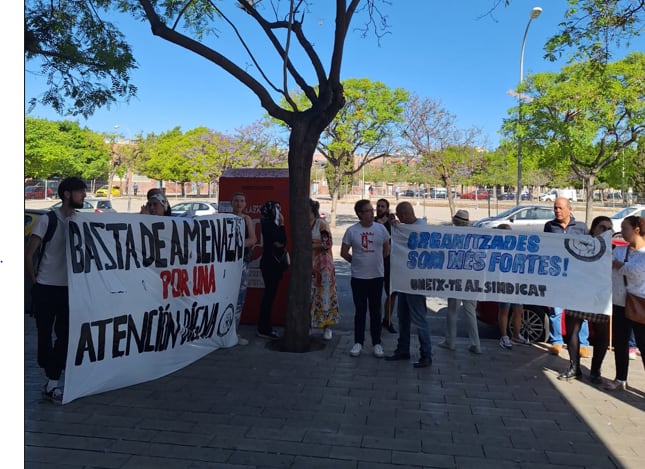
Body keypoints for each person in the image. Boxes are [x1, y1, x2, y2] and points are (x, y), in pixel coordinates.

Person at [25, 177, 88, 404]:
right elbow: (28, 254)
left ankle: (52, 381)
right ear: (67, 194)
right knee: (44, 336)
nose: (84, 196)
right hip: (46, 288)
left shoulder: (81, 222)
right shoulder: (47, 220)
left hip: (69, 289)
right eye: (80, 192)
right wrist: (36, 283)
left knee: (65, 336)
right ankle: (49, 367)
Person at [557, 216, 613, 381]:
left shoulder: (612, 249)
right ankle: (574, 367)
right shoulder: (580, 245)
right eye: (602, 228)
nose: (606, 232)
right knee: (572, 330)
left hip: (599, 297)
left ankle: (596, 371)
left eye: (609, 229)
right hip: (578, 294)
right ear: (593, 229)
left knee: (602, 335)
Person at [384, 202, 433, 368]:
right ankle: (403, 349)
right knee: (403, 317)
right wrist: (396, 227)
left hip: (416, 282)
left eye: (399, 216)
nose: (399, 219)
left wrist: (398, 228)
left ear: (404, 215)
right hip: (404, 280)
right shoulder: (408, 227)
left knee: (419, 319)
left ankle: (426, 354)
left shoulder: (420, 227)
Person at [340, 199, 390, 358]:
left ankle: (377, 343)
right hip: (358, 277)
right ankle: (358, 342)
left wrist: (377, 262)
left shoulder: (381, 229)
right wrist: (356, 262)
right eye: (368, 211)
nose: (372, 212)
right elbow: (344, 252)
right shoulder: (351, 231)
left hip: (376, 277)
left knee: (376, 311)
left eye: (371, 210)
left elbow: (386, 249)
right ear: (360, 214)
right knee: (360, 311)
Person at [543, 197, 590, 357]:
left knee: (579, 312)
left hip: (577, 277)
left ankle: (583, 344)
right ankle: (556, 342)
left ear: (569, 209)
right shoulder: (549, 226)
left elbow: (589, 249)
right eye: (555, 208)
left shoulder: (581, 227)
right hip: (557, 276)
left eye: (560, 208)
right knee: (556, 311)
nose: (557, 211)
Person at [605, 216, 645, 391]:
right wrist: (619, 265)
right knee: (620, 343)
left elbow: (637, 272)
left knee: (643, 346)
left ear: (636, 230)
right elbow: (609, 265)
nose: (622, 232)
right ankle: (620, 378)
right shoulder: (621, 251)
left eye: (625, 228)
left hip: (640, 304)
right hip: (620, 302)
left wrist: (619, 266)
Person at [438, 209, 482, 354]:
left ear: (455, 221)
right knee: (470, 311)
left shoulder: (452, 236)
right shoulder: (476, 236)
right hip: (472, 279)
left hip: (456, 277)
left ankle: (450, 341)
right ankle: (476, 344)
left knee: (452, 311)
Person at [494, 224, 529, 350]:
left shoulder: (516, 247)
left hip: (516, 283)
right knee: (504, 310)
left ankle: (516, 335)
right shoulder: (497, 248)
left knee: (519, 309)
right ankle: (504, 336)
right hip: (504, 283)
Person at [309, 199, 340, 340]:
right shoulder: (303, 224)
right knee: (309, 295)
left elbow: (327, 243)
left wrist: (309, 245)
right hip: (307, 265)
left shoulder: (321, 224)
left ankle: (327, 327)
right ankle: (309, 324)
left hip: (323, 265)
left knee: (325, 295)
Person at [257, 200, 287, 340]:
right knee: (268, 297)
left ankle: (265, 326)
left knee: (269, 296)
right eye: (277, 209)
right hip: (270, 264)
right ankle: (264, 328)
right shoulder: (269, 224)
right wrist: (282, 225)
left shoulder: (267, 223)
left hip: (271, 263)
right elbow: (281, 242)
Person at [232, 192, 257, 346]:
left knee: (239, 298)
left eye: (241, 201)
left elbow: (253, 239)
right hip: (226, 263)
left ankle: (235, 330)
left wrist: (236, 246)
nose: (239, 204)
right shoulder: (224, 217)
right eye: (236, 201)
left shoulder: (247, 219)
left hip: (242, 262)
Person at [375, 198, 397, 334]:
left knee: (391, 293)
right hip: (376, 262)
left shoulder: (392, 222)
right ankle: (376, 320)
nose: (379, 208)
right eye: (378, 206)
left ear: (387, 208)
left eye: (382, 206)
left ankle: (387, 320)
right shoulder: (372, 222)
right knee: (376, 294)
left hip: (391, 261)